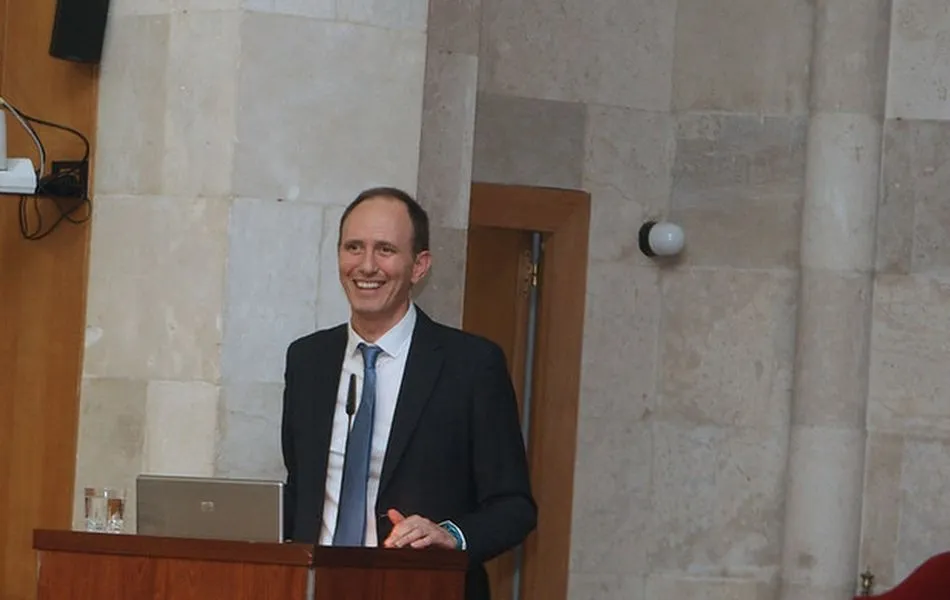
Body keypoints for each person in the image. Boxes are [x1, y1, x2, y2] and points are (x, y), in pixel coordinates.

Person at [280, 186, 537, 600]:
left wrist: (450, 535)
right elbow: (301, 488)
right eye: (353, 247)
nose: (366, 265)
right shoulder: (308, 360)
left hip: (424, 588)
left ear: (419, 266)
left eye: (385, 250)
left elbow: (514, 507)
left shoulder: (471, 365)